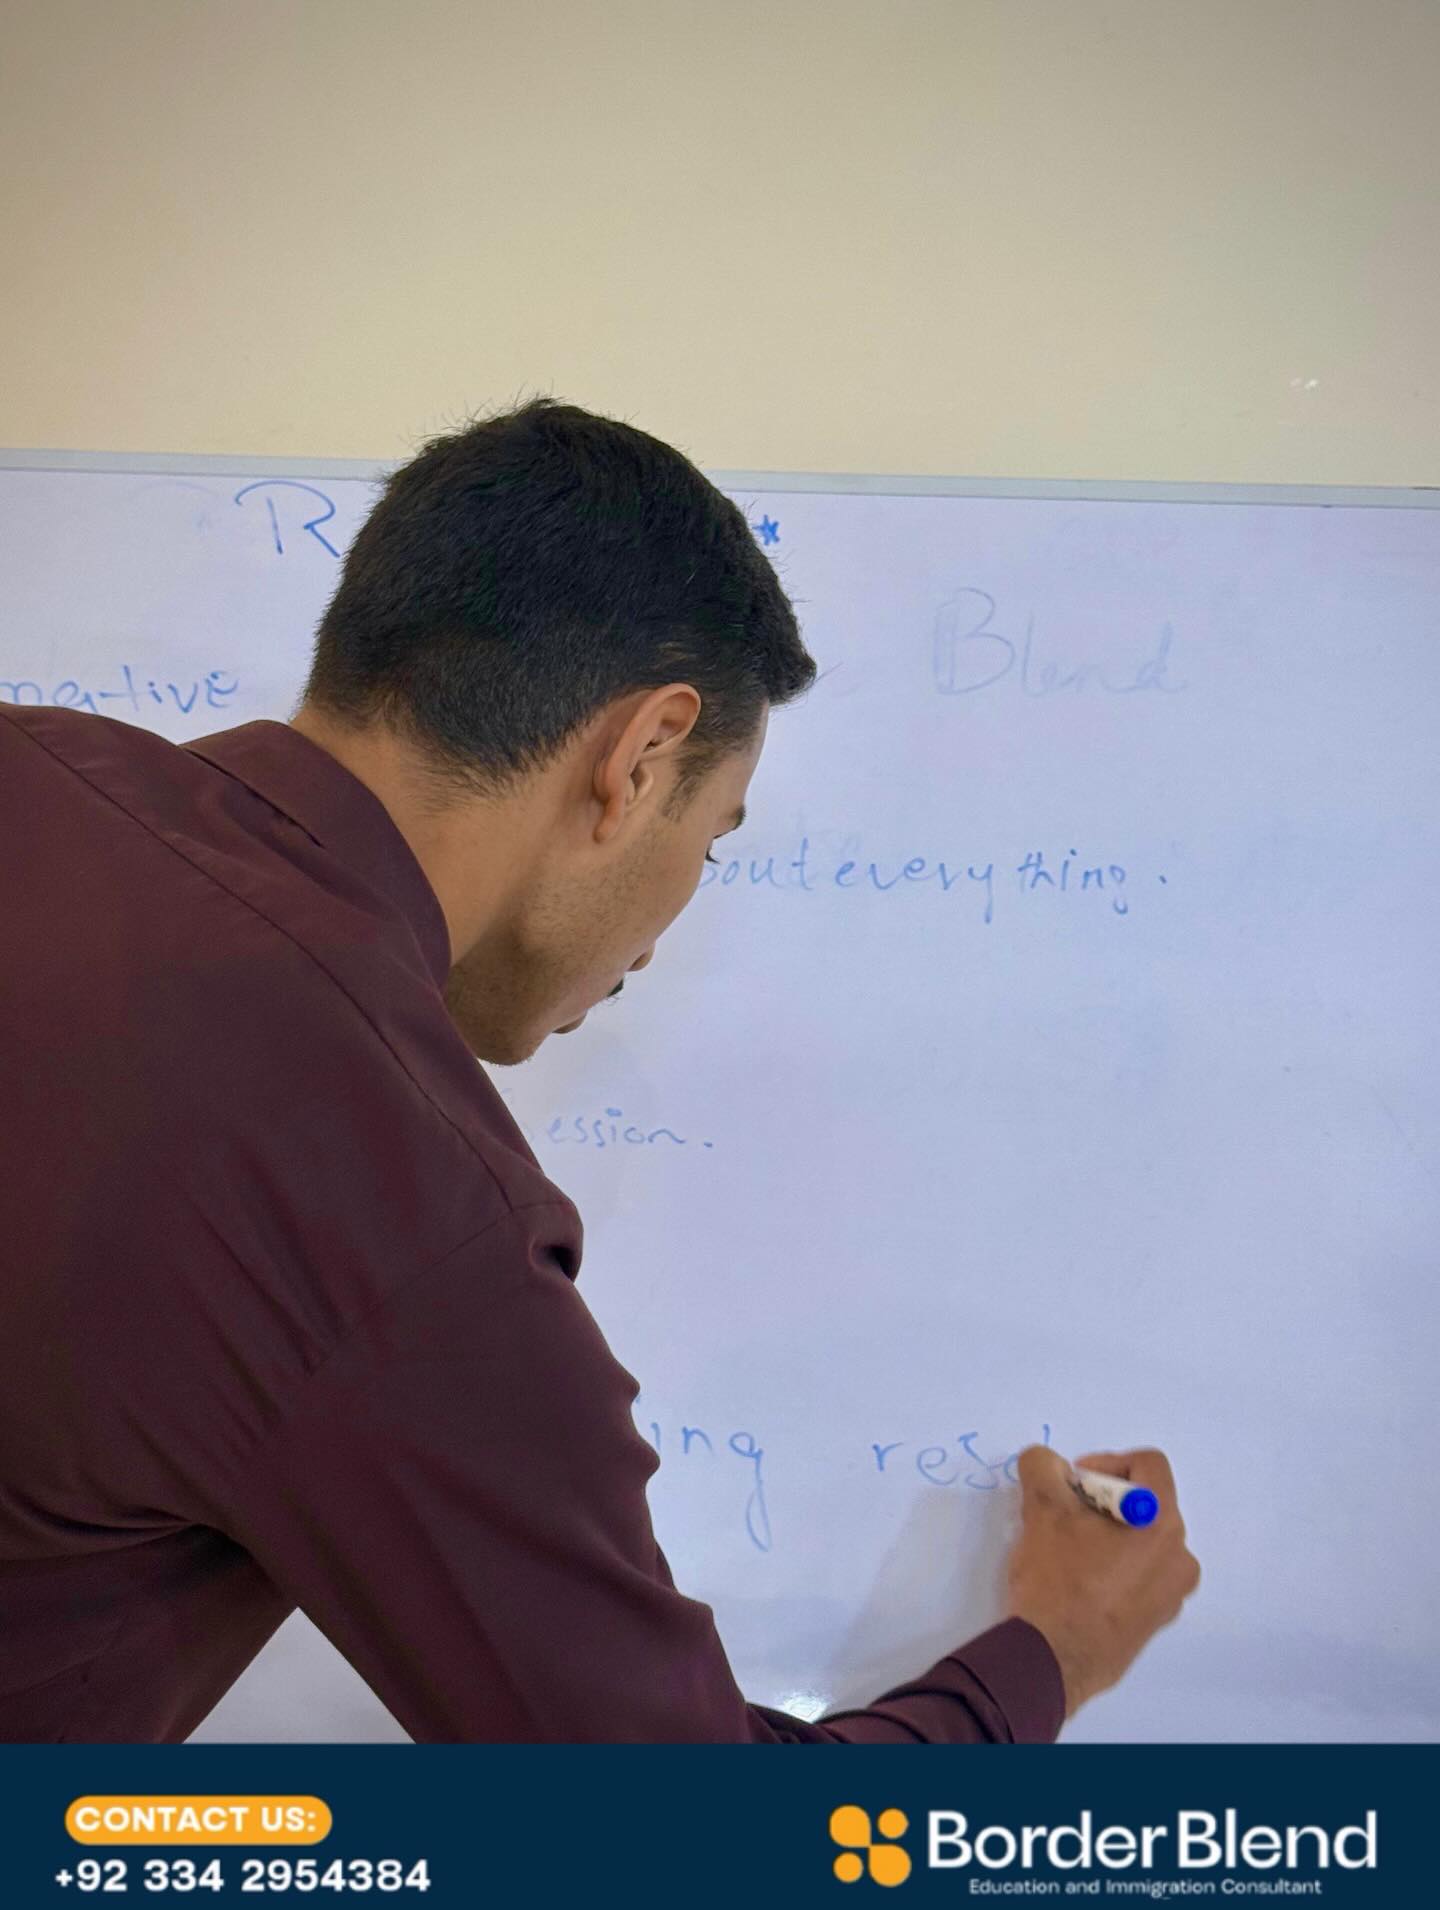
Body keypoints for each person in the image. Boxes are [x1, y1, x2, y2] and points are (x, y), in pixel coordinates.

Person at [0, 397, 1199, 1742]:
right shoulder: (394, 1202)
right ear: (639, 757)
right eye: (718, 834)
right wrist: (1051, 1653)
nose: (672, 925)